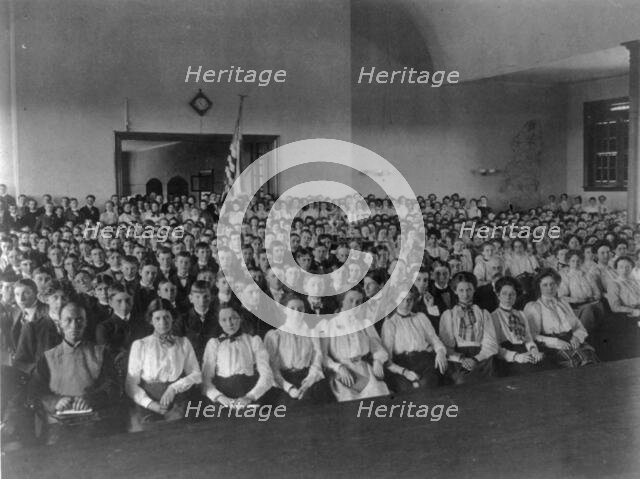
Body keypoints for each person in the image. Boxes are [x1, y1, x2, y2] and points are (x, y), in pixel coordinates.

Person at [29, 303, 122, 445]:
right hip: (57, 423)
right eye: (68, 320)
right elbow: (34, 393)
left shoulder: (101, 353)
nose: (74, 325)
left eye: (79, 320)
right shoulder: (47, 357)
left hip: (94, 419)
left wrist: (90, 399)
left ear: (85, 323)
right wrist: (55, 402)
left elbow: (113, 387)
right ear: (59, 323)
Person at [126, 299, 201, 431]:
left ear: (173, 318)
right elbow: (131, 384)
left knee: (180, 433)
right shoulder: (141, 345)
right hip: (148, 402)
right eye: (158, 318)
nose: (163, 322)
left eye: (167, 317)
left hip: (178, 399)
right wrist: (150, 404)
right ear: (151, 320)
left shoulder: (183, 343)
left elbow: (196, 375)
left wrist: (173, 388)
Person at [318, 288, 389, 402]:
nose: (354, 305)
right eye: (351, 300)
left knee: (377, 394)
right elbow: (323, 356)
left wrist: (378, 361)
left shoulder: (364, 324)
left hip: (364, 368)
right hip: (342, 373)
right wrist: (339, 367)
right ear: (342, 301)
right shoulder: (329, 325)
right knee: (350, 402)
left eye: (359, 302)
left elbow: (378, 349)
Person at [263, 294, 333, 406]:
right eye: (292, 309)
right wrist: (289, 388)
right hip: (283, 381)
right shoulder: (274, 336)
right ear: (284, 310)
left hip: (309, 378)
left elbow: (317, 359)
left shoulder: (311, 333)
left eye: (300, 309)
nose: (297, 312)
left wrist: (307, 383)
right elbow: (272, 368)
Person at [524, 269, 599, 368]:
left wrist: (576, 337)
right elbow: (532, 335)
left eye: (552, 284)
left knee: (590, 357)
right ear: (539, 287)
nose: (550, 288)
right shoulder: (534, 307)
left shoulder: (563, 303)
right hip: (551, 346)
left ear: (557, 285)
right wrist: (555, 342)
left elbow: (578, 326)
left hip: (572, 341)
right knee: (578, 361)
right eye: (545, 285)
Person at [201, 305, 273, 407]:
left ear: (240, 318)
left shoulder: (253, 341)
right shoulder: (214, 344)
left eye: (233, 318)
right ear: (219, 322)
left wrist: (250, 397)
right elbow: (205, 379)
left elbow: (267, 375)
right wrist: (220, 398)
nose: (229, 323)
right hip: (222, 398)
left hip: (249, 394)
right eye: (224, 320)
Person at [381, 287, 447, 392]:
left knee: (428, 385)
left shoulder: (421, 317)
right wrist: (404, 372)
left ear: (414, 300)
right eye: (402, 299)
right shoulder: (390, 323)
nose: (406, 303)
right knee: (410, 390)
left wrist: (440, 352)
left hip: (425, 361)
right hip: (402, 363)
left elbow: (434, 339)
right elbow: (387, 359)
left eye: (410, 299)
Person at [439, 272, 498, 385]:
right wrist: (461, 359)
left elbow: (491, 344)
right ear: (455, 291)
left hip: (482, 358)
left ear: (474, 289)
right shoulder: (449, 315)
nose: (465, 294)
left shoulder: (483, 313)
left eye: (469, 289)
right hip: (458, 359)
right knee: (463, 381)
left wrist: (476, 359)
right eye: (461, 290)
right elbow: (446, 346)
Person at [491, 277, 547, 376]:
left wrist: (534, 350)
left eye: (512, 294)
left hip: (524, 350)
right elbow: (495, 347)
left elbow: (528, 339)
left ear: (516, 296)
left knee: (545, 366)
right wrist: (517, 357)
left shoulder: (520, 314)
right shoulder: (494, 316)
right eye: (504, 293)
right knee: (531, 374)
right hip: (507, 357)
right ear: (498, 295)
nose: (508, 297)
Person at [558, 250, 604, 332]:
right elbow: (562, 297)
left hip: (592, 303)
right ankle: (584, 335)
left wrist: (593, 298)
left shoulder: (587, 275)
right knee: (588, 310)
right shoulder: (565, 276)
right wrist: (577, 300)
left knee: (599, 306)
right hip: (576, 307)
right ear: (568, 262)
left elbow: (597, 293)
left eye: (578, 261)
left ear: (582, 261)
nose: (576, 263)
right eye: (573, 261)